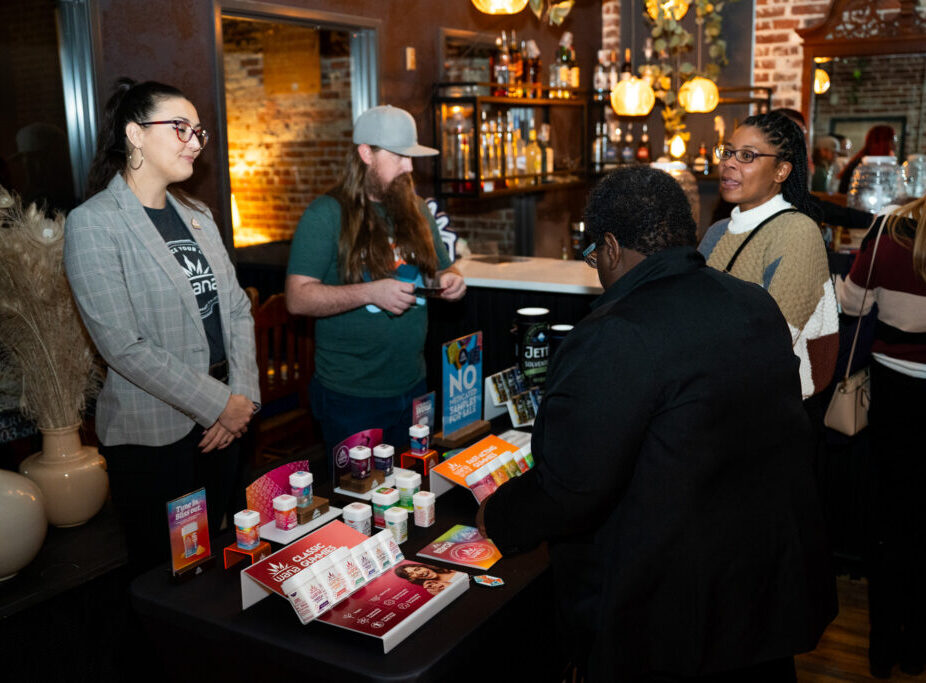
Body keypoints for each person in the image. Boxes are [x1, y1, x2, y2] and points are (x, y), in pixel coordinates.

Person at [478, 166, 836, 682]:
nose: (597, 269)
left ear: (610, 246)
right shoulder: (752, 303)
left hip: (676, 615)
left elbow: (573, 485)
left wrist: (501, 514)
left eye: (593, 256)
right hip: (763, 591)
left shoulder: (616, 334)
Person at [64, 79, 260, 571]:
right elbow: (124, 346)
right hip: (156, 435)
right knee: (167, 574)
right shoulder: (95, 223)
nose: (194, 141)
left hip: (225, 425)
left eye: (198, 131)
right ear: (134, 134)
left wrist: (243, 398)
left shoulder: (197, 214)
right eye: (180, 128)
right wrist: (218, 404)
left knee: (215, 560)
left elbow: (236, 309)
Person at [286, 105, 466, 467]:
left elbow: (439, 271)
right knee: (360, 505)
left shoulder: (415, 208)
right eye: (400, 157)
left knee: (414, 493)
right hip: (352, 397)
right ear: (366, 153)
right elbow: (297, 298)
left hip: (413, 385)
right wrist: (370, 292)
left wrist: (449, 281)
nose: (409, 168)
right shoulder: (326, 213)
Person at [835, 195, 926, 678]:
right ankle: (918, 650)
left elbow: (852, 303)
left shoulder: (891, 234)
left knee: (892, 519)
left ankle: (881, 648)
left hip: (895, 390)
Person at [699, 111, 838, 402]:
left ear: (781, 171)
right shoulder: (717, 232)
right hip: (719, 389)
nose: (729, 163)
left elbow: (776, 337)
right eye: (728, 152)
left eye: (747, 156)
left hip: (773, 402)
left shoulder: (798, 232)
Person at [837, 124, 896, 194]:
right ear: (883, 142)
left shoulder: (884, 164)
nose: (895, 145)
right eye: (892, 140)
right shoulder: (862, 165)